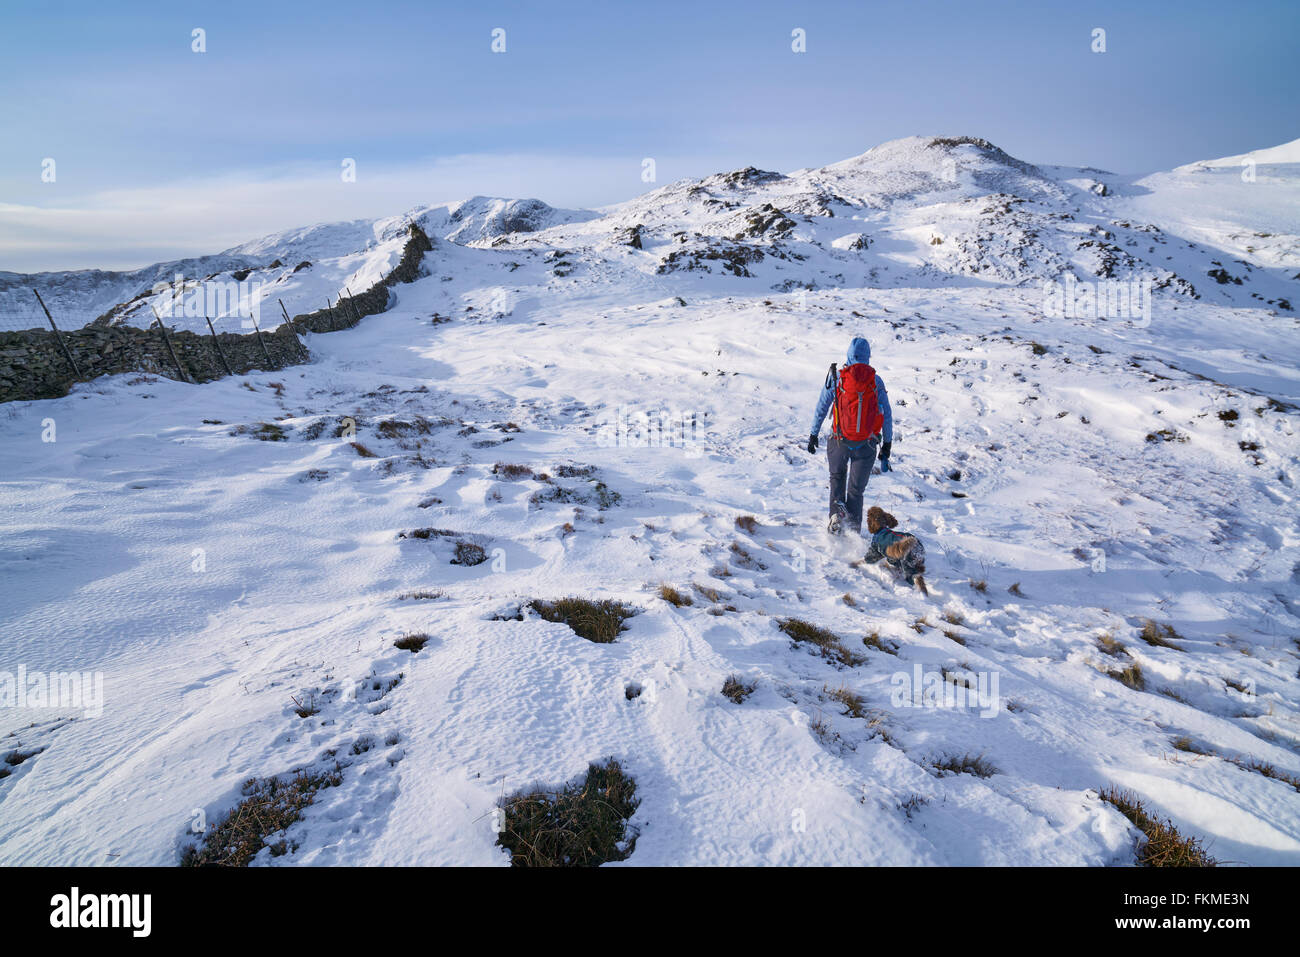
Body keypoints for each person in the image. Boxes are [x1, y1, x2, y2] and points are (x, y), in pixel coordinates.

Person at [806, 336, 893, 534]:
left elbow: (822, 406)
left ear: (848, 355)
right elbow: (886, 415)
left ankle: (836, 515)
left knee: (837, 478)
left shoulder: (837, 377)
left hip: (839, 441)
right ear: (868, 357)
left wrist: (813, 434)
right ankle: (853, 531)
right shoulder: (876, 381)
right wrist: (887, 444)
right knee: (856, 490)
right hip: (866, 445)